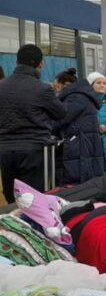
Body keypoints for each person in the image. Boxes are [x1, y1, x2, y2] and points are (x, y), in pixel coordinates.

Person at [0, 45, 66, 202]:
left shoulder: (1, 86)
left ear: (16, 62)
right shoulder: (42, 89)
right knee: (33, 200)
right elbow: (61, 113)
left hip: (5, 150)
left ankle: (12, 224)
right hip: (33, 150)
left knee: (11, 197)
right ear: (41, 64)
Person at [53, 71, 104, 184]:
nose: (57, 90)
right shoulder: (81, 95)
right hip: (84, 146)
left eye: (57, 86)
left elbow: (61, 119)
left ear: (65, 85)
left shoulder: (75, 97)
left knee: (75, 183)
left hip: (78, 148)